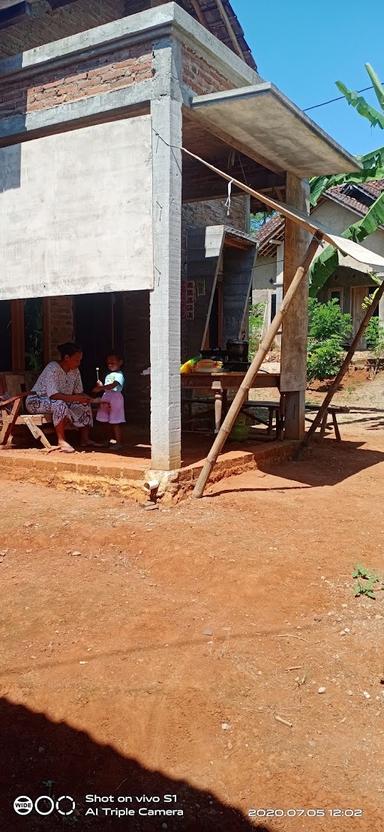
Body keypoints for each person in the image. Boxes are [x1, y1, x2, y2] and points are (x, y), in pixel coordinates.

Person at [25, 342, 100, 453]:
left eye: (80, 360)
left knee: (83, 404)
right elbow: (54, 395)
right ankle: (61, 441)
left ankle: (85, 439)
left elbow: (79, 393)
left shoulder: (75, 371)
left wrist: (93, 400)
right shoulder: (53, 368)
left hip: (61, 400)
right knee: (59, 404)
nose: (79, 363)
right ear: (66, 357)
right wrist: (76, 398)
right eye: (76, 360)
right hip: (37, 401)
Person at [93, 353, 126, 449]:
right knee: (104, 420)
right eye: (108, 363)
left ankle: (119, 442)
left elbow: (113, 385)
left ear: (120, 362)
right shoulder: (109, 374)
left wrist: (101, 388)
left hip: (115, 398)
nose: (110, 365)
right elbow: (107, 387)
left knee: (115, 421)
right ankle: (107, 440)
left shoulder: (119, 375)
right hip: (106, 397)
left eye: (113, 362)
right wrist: (101, 386)